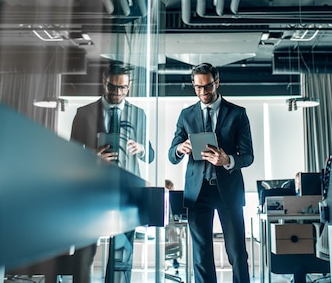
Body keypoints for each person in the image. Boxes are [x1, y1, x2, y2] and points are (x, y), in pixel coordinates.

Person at [168, 62, 254, 283]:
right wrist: (180, 148)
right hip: (198, 193)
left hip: (229, 191)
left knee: (237, 253)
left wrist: (228, 160)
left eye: (207, 87)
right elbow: (171, 154)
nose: (203, 92)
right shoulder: (186, 115)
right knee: (201, 254)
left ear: (217, 82)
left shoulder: (237, 114)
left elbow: (248, 156)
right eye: (198, 87)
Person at [70, 62, 155, 283]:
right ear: (103, 83)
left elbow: (150, 154)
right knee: (85, 250)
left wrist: (142, 148)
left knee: (122, 253)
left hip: (127, 192)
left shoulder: (139, 114)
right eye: (112, 87)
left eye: (123, 88)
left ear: (130, 86)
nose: (117, 93)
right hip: (93, 190)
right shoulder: (84, 113)